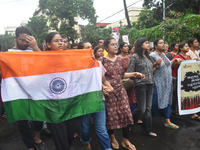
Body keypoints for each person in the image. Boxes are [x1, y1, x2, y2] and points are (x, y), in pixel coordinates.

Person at [99, 37, 145, 150]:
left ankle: (125, 139)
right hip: (109, 92)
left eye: (116, 44)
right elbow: (100, 78)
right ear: (106, 48)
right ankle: (112, 137)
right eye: (112, 44)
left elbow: (122, 75)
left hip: (121, 90)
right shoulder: (102, 61)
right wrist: (105, 88)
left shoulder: (120, 59)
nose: (115, 46)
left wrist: (134, 73)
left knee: (125, 113)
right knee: (110, 116)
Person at [7, 26, 45, 150]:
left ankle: (37, 137)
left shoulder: (33, 51)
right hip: (17, 93)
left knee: (38, 116)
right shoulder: (8, 54)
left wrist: (35, 47)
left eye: (28, 41)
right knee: (22, 120)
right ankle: (29, 145)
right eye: (22, 40)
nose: (25, 43)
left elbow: (45, 64)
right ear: (15, 38)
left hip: (36, 91)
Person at [45, 32, 77, 150]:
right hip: (53, 105)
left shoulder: (70, 58)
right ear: (48, 44)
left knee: (69, 136)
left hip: (70, 103)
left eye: (62, 40)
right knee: (61, 141)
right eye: (56, 41)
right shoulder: (43, 60)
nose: (61, 43)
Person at [128, 38, 157, 138]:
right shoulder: (135, 57)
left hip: (150, 84)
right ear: (140, 45)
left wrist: (156, 65)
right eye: (146, 43)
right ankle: (130, 124)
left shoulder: (147, 57)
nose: (148, 45)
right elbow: (130, 73)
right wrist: (137, 76)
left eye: (148, 43)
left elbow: (149, 71)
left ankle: (147, 130)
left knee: (148, 108)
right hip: (140, 85)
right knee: (141, 109)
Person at [150, 38, 181, 130]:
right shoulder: (152, 55)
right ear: (155, 46)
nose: (163, 45)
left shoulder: (164, 55)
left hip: (167, 83)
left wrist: (174, 62)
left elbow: (167, 65)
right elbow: (149, 71)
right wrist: (156, 64)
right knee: (155, 102)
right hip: (158, 83)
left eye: (164, 43)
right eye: (160, 43)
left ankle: (167, 121)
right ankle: (147, 119)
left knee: (168, 101)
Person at [171, 42, 190, 115]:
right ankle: (174, 108)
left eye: (188, 46)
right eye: (186, 46)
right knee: (175, 93)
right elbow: (172, 66)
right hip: (177, 77)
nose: (188, 48)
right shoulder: (177, 57)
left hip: (185, 78)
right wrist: (176, 63)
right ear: (181, 48)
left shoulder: (188, 57)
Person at [186, 38, 200, 120]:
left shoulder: (197, 52)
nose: (197, 43)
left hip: (197, 75)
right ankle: (193, 113)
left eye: (197, 42)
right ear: (191, 44)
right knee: (191, 92)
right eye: (195, 42)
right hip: (191, 75)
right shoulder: (189, 52)